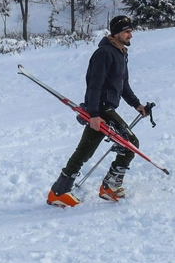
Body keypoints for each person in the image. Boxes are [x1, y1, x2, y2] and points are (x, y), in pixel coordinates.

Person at [47, 15, 149, 207]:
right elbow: (94, 85)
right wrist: (94, 115)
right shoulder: (104, 53)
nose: (131, 35)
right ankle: (109, 187)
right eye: (127, 31)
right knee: (130, 144)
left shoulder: (120, 53)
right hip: (101, 110)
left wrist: (137, 105)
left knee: (85, 150)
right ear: (117, 32)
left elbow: (123, 85)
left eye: (131, 31)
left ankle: (59, 191)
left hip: (105, 109)